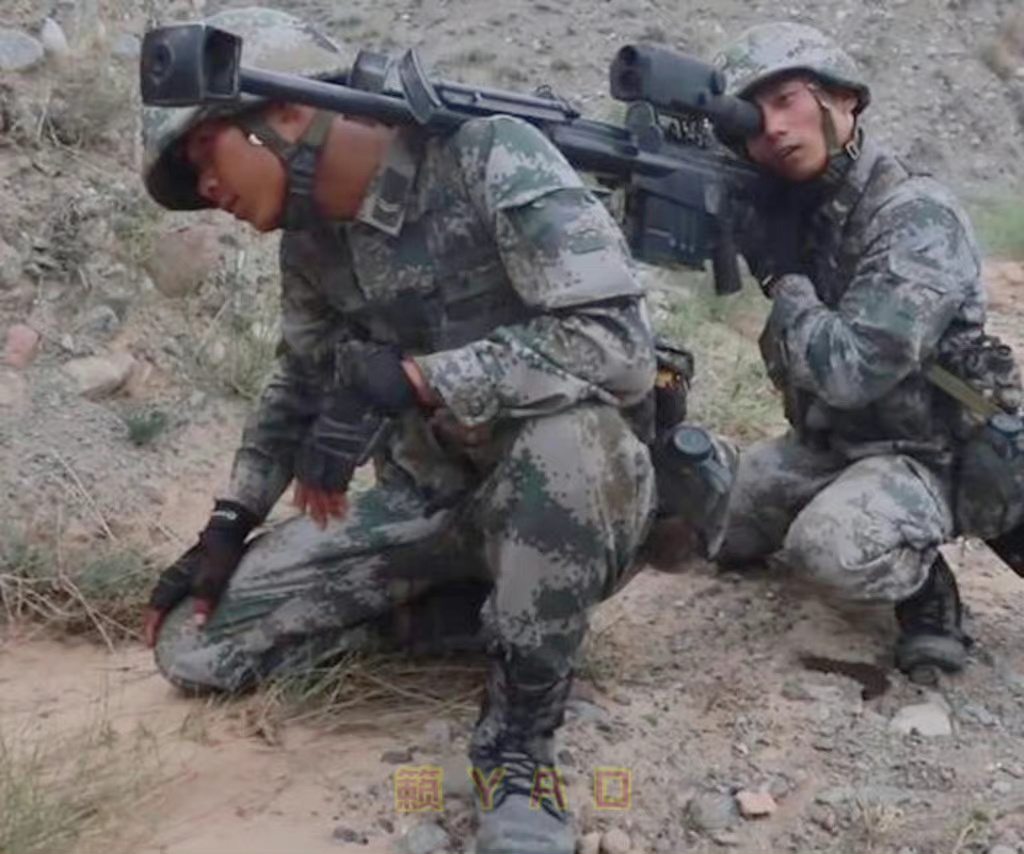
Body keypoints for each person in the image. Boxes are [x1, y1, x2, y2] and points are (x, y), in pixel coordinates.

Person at [139, 7, 663, 853]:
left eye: (205, 151)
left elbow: (616, 346)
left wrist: (420, 377)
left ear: (288, 109)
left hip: (562, 497)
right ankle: (457, 614)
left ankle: (518, 746)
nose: (205, 187)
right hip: (425, 505)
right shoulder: (310, 243)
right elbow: (299, 384)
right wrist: (230, 522)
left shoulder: (489, 155)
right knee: (193, 651)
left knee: (565, 443)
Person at [709, 21, 1023, 682]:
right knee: (713, 516)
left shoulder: (914, 215)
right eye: (752, 120)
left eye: (787, 100)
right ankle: (861, 516)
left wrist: (784, 280)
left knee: (829, 550)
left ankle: (927, 588)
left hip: (929, 454)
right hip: (838, 444)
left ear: (845, 99)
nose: (772, 129)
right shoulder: (796, 207)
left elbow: (851, 370)